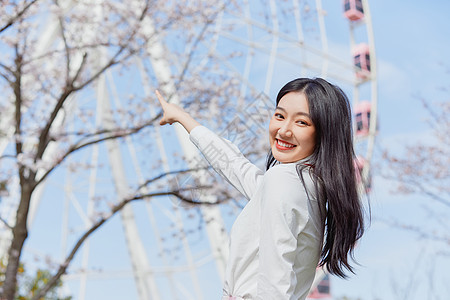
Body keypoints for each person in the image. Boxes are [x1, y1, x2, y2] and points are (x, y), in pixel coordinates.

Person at [156, 77, 365, 300]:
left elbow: (275, 274)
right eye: (279, 116)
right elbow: (235, 166)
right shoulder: (306, 186)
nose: (283, 130)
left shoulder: (284, 181)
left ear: (324, 133)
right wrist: (183, 117)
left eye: (301, 122)